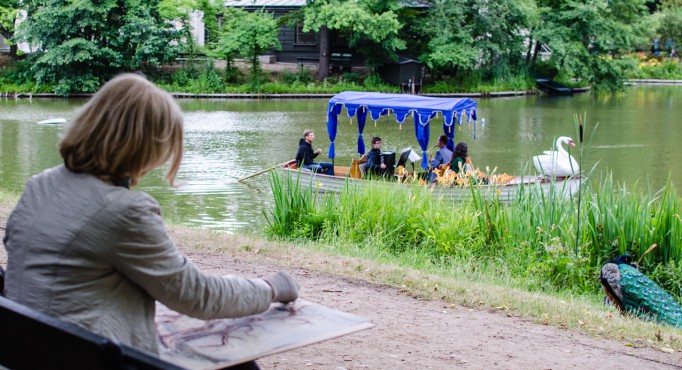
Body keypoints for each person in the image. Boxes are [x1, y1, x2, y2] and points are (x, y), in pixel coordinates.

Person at [2, 74, 299, 360]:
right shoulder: (123, 210)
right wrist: (271, 288)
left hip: (30, 351)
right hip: (90, 358)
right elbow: (197, 295)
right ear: (144, 146)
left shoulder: (40, 185)